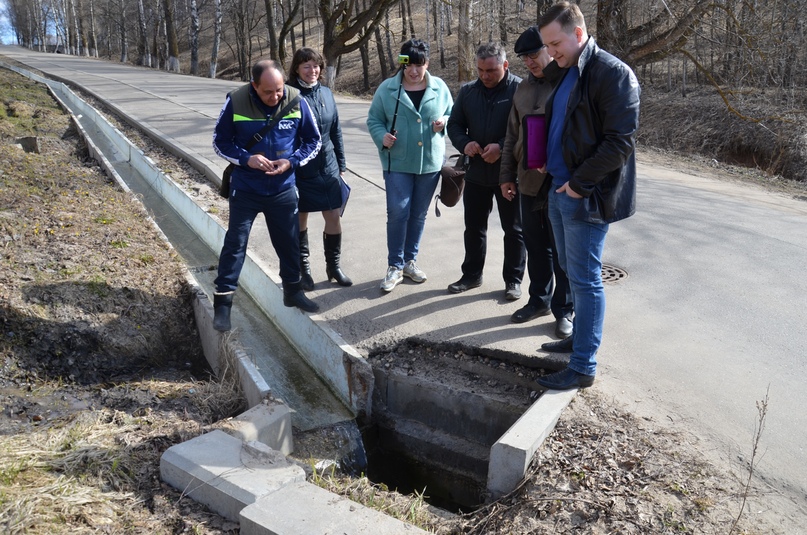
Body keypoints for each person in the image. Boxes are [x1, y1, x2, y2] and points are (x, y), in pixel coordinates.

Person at [536, 2, 640, 390]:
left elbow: (620, 142)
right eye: (547, 45)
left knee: (585, 280)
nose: (550, 52)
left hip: (584, 195)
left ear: (578, 34)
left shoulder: (612, 73)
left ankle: (583, 365)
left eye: (555, 44)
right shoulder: (566, 69)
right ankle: (579, 338)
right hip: (558, 187)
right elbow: (563, 124)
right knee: (569, 268)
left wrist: (579, 185)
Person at [211, 59, 322, 331]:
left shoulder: (296, 100)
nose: (275, 97)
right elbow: (219, 141)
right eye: (268, 92)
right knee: (235, 244)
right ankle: (223, 303)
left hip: (283, 188)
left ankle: (293, 291)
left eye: (279, 90)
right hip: (246, 189)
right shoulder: (236, 101)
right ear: (254, 86)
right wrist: (246, 159)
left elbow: (313, 140)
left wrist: (291, 162)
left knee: (289, 244)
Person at [499, 26, 573, 339]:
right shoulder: (522, 88)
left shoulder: (568, 82)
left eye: (534, 54)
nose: (529, 61)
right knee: (535, 245)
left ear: (549, 50)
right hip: (527, 180)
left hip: (559, 182)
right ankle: (539, 300)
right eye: (524, 57)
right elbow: (511, 136)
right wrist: (506, 175)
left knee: (562, 252)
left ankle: (564, 310)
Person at [366, 39, 453, 293]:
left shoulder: (440, 87)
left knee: (418, 214)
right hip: (397, 162)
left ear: (427, 63)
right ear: (402, 63)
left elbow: (452, 113)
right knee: (398, 212)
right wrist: (381, 136)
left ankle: (409, 262)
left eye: (419, 65)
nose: (414, 71)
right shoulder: (387, 89)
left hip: (429, 163)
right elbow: (374, 119)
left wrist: (443, 122)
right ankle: (394, 265)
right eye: (409, 65)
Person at [446, 42, 525, 301]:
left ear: (505, 65)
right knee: (474, 228)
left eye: (491, 70)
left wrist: (502, 147)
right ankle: (471, 275)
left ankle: (513, 280)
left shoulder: (520, 90)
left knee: (514, 230)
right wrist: (465, 143)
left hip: (510, 174)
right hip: (477, 173)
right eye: (480, 70)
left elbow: (527, 129)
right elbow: (454, 124)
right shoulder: (468, 91)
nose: (485, 76)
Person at [288, 47, 352, 291]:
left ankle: (333, 267)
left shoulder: (326, 92)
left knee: (333, 215)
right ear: (296, 69)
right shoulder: (289, 95)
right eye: (306, 66)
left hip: (328, 164)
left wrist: (341, 164)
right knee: (300, 217)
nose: (312, 70)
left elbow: (335, 130)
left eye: (316, 66)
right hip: (300, 165)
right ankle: (303, 269)